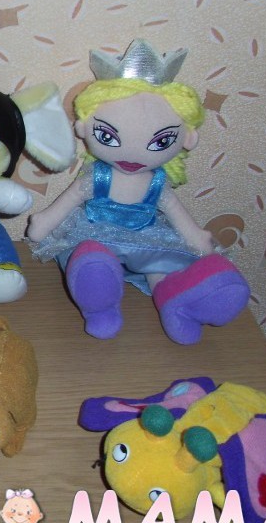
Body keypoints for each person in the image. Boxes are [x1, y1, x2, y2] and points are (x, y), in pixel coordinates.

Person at [27, 40, 249, 344]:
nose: (133, 154)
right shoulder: (96, 177)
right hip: (94, 235)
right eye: (108, 136)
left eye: (160, 142)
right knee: (90, 261)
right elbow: (69, 201)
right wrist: (44, 222)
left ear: (187, 138)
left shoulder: (158, 184)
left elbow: (177, 214)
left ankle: (176, 302)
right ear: (83, 128)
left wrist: (198, 238)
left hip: (148, 237)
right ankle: (100, 306)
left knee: (163, 267)